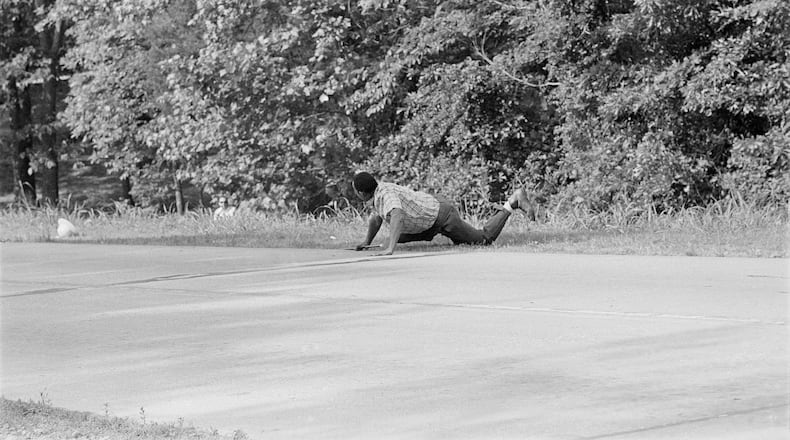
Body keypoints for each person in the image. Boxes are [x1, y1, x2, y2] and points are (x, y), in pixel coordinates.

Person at [352, 172, 536, 255]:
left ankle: (513, 202)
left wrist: (389, 250)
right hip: (430, 214)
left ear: (361, 192)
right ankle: (445, 234)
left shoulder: (385, 195)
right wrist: (366, 242)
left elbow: (398, 216)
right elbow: (376, 218)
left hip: (441, 216)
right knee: (396, 236)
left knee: (483, 239)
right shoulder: (377, 192)